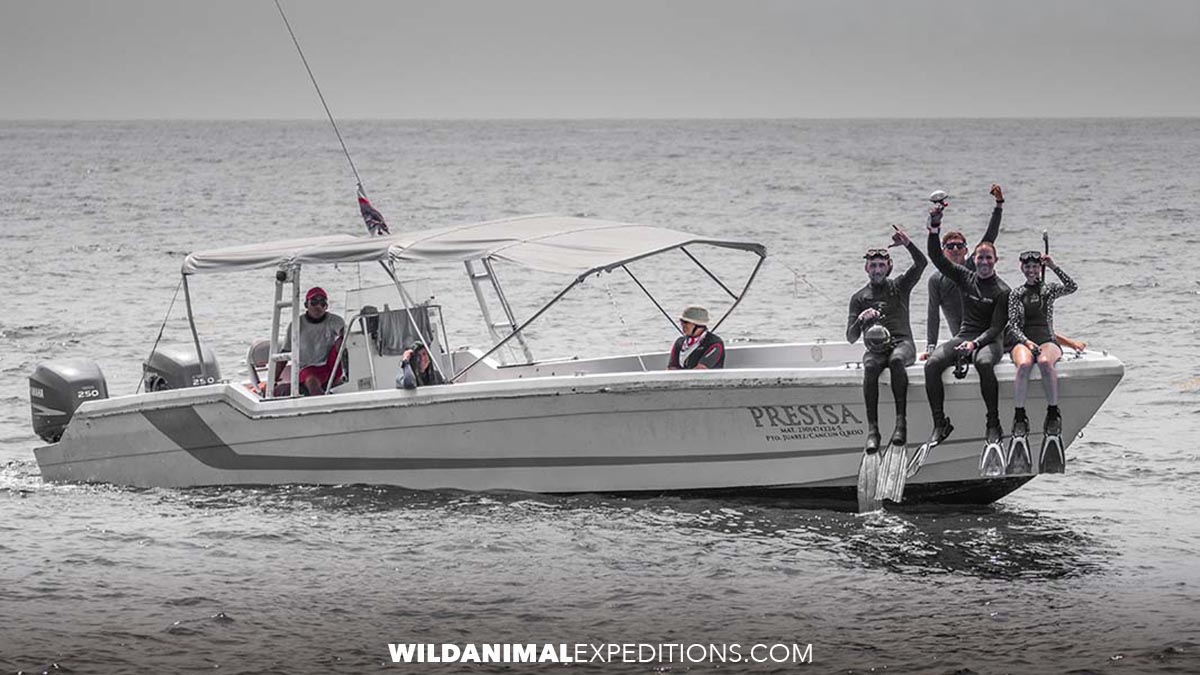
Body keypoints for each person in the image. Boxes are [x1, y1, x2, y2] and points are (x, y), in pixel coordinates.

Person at [924, 203, 1011, 447]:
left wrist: (975, 344)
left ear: (995, 260)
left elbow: (995, 329)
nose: (983, 262)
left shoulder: (1003, 290)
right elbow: (935, 257)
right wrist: (934, 226)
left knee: (983, 363)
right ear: (974, 259)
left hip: (989, 339)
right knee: (931, 366)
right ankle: (940, 424)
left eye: (988, 258)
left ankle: (993, 423)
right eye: (980, 257)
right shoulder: (963, 277)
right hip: (965, 336)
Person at [845, 225, 927, 452]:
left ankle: (901, 423)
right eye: (873, 265)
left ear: (889, 267)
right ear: (866, 268)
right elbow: (851, 337)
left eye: (882, 265)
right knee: (870, 366)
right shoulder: (859, 297)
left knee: (897, 361)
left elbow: (922, 264)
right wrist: (861, 320)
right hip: (876, 349)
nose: (877, 269)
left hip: (903, 343)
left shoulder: (900, 286)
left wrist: (908, 244)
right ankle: (873, 430)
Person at [924, 184, 1004, 359]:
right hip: (962, 338)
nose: (955, 249)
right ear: (943, 251)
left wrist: (998, 205)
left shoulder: (973, 267)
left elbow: (990, 237)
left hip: (987, 337)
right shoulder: (936, 280)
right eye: (950, 246)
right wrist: (930, 347)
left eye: (959, 246)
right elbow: (933, 315)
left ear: (967, 251)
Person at [1007, 251, 1078, 439]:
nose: (1031, 270)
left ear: (1040, 268)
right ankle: (1020, 416)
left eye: (1035, 267)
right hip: (1024, 340)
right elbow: (1013, 326)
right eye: (1028, 267)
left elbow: (1072, 287)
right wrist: (1026, 342)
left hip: (1047, 340)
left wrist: (1054, 266)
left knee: (1045, 363)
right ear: (1022, 268)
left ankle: (1053, 412)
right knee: (1024, 365)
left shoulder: (1049, 290)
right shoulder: (1016, 294)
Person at [280, 286, 346, 396]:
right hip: (306, 368)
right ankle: (323, 404)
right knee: (312, 382)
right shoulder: (296, 324)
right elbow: (285, 353)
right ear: (306, 305)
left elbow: (343, 332)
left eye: (322, 303)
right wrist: (273, 379)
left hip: (329, 365)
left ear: (326, 306)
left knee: (342, 341)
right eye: (314, 302)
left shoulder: (334, 320)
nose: (318, 307)